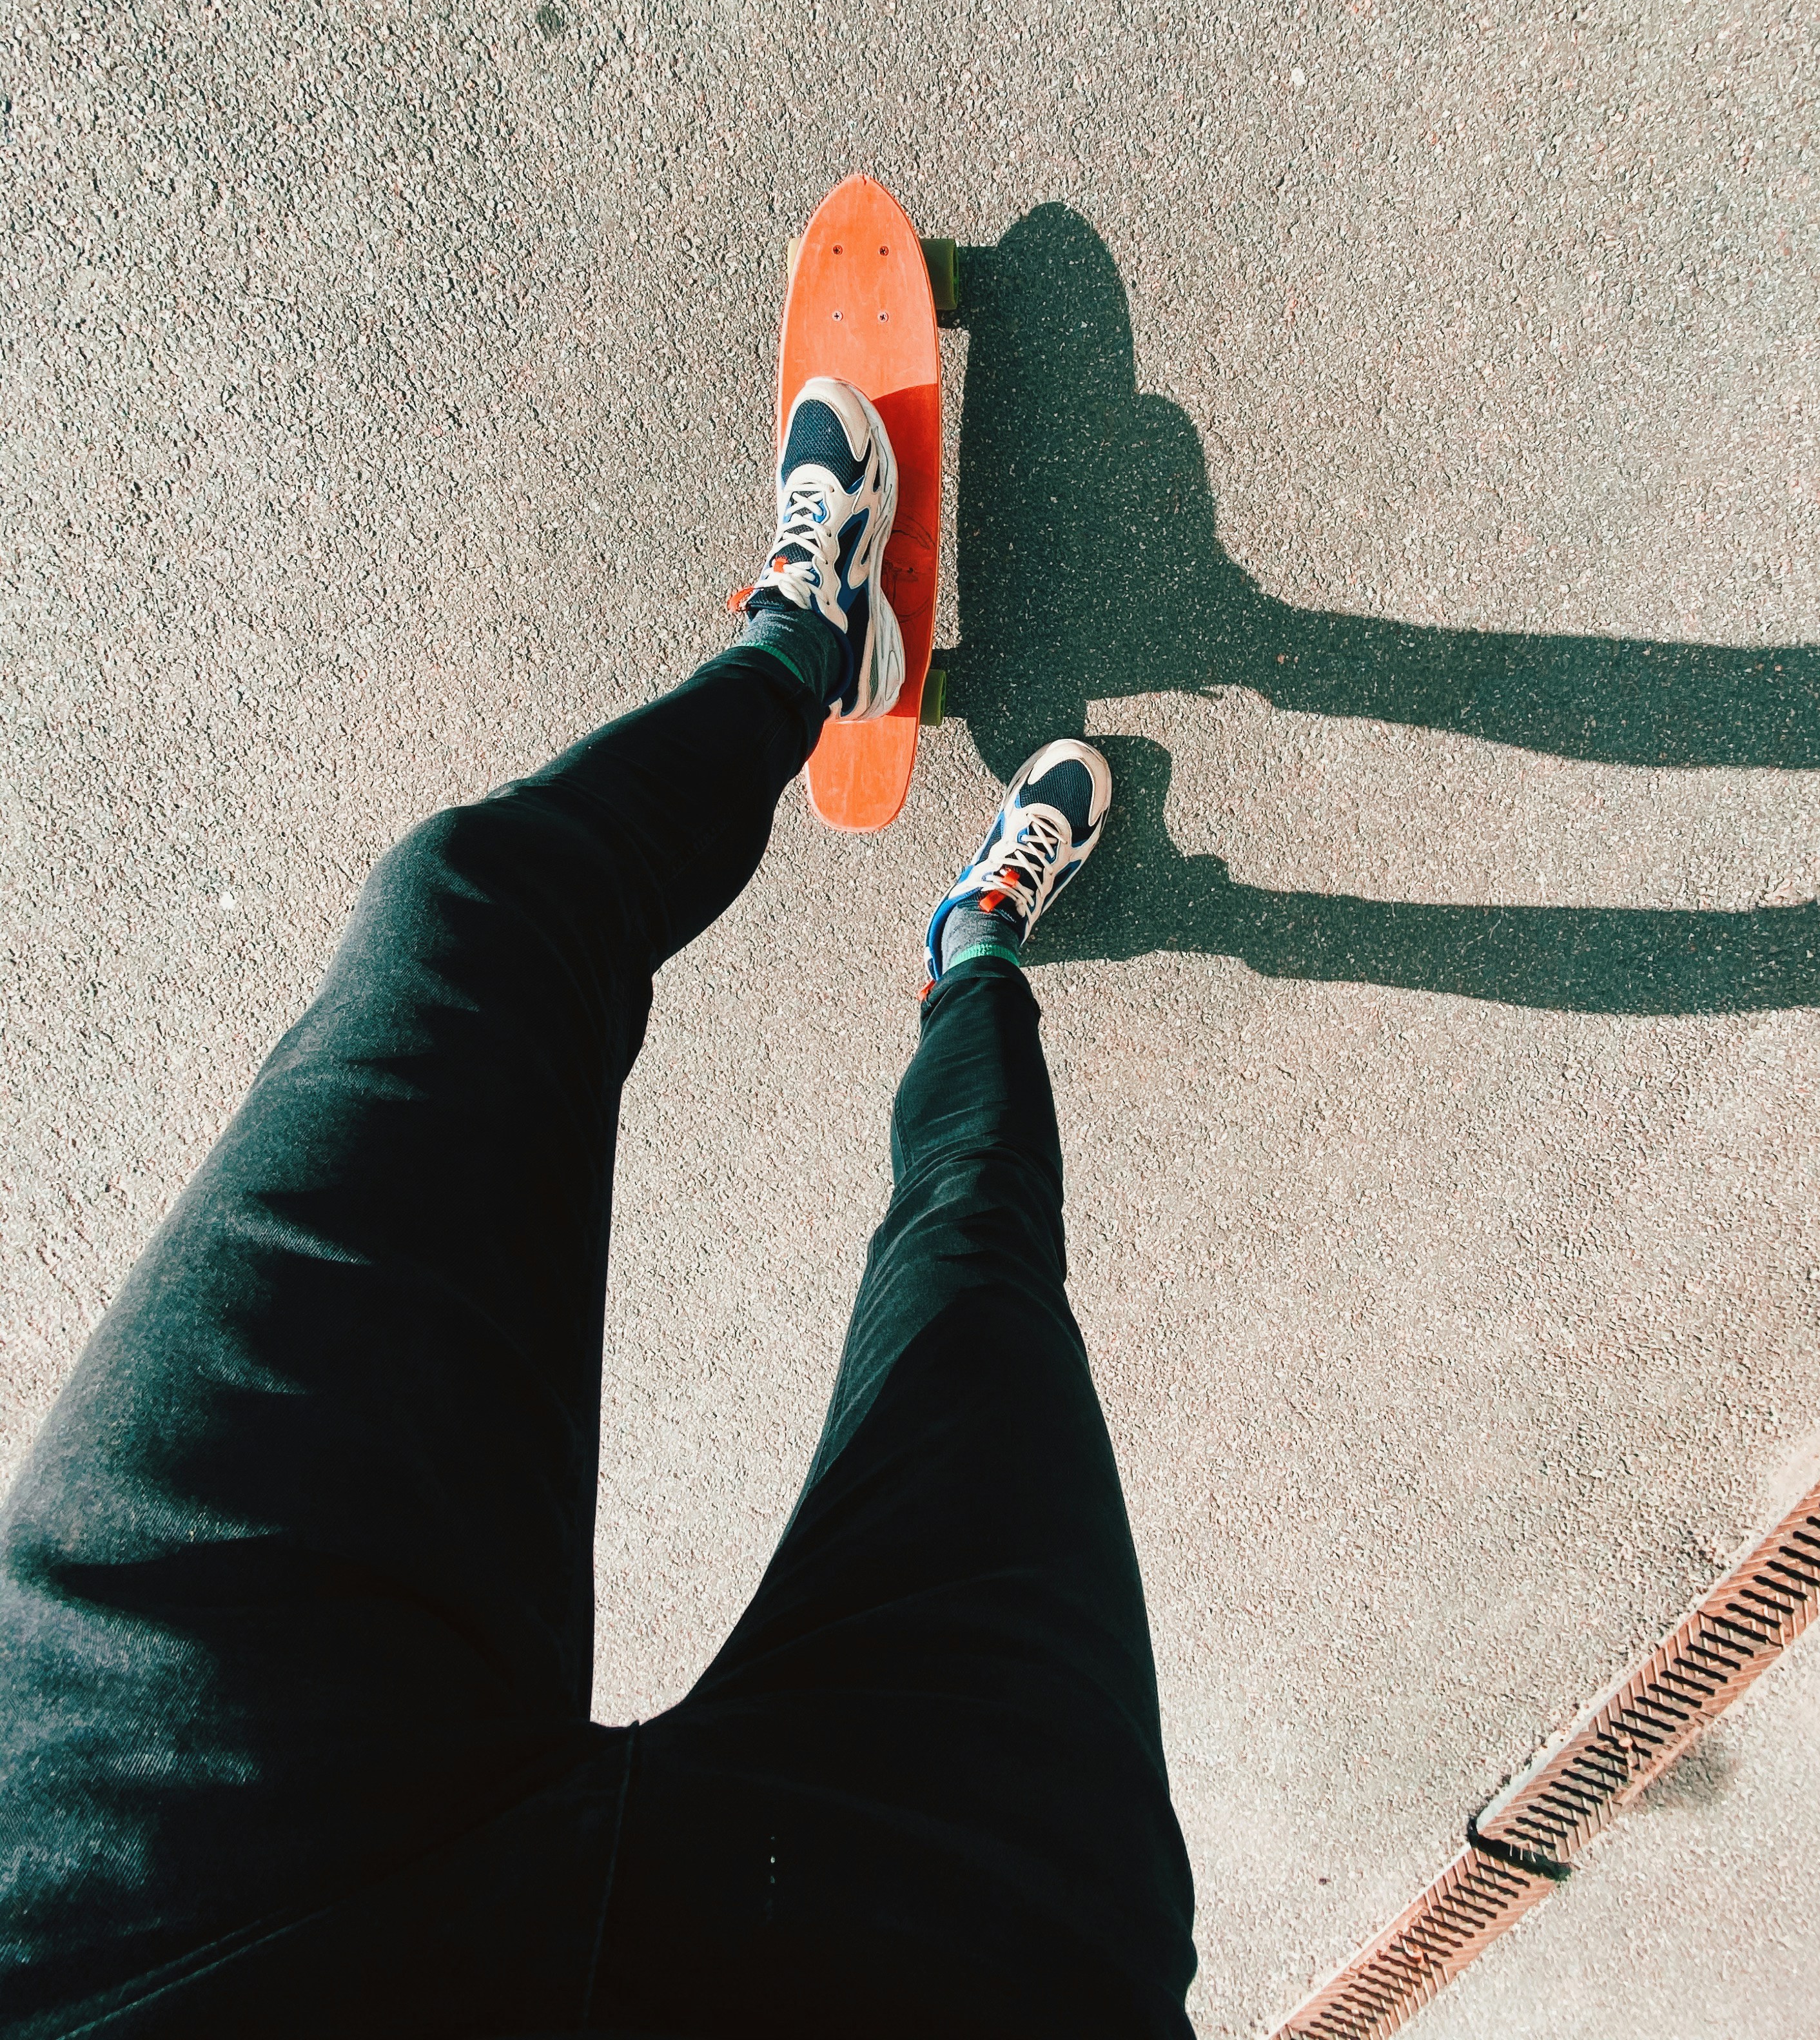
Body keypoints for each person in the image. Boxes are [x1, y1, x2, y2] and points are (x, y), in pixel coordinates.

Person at [0, 375, 1199, 2039]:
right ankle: (979, 952)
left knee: (472, 929)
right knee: (978, 1278)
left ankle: (797, 650)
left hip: (162, 1941)